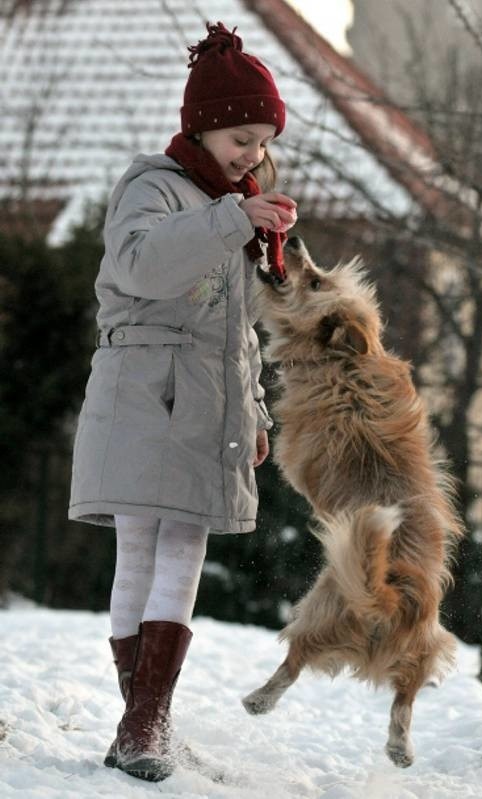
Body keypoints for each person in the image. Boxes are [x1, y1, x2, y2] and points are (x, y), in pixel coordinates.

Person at [68, 21, 297, 783]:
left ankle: (144, 722)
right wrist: (233, 218)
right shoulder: (154, 187)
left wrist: (257, 411)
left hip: (204, 402)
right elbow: (140, 265)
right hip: (145, 394)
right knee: (146, 546)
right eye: (241, 136)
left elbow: (238, 331)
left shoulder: (225, 202)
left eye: (262, 140)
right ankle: (145, 722)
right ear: (201, 124)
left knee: (182, 546)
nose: (252, 155)